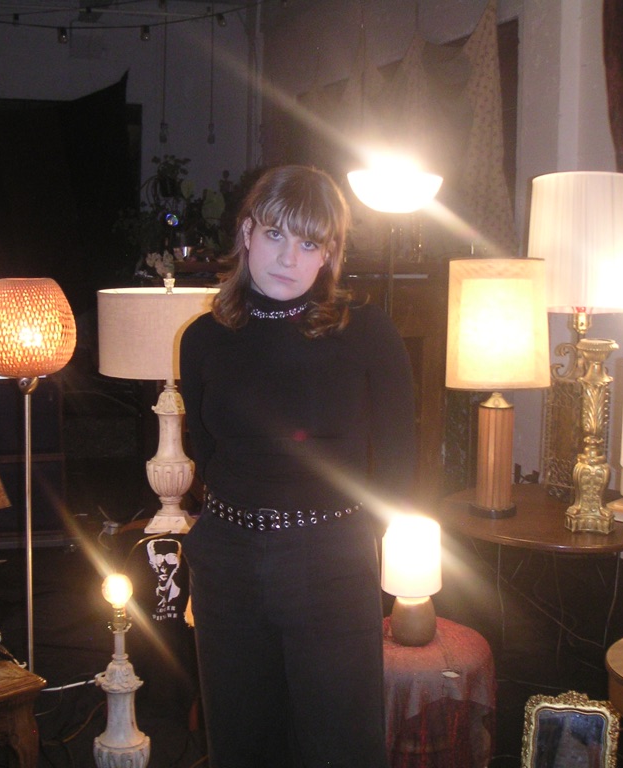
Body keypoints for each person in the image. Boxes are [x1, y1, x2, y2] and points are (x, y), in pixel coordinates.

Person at [179, 164, 417, 767]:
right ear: (247, 233)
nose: (288, 257)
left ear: (329, 254)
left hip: (331, 561)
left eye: (309, 243)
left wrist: (357, 541)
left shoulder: (368, 332)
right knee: (240, 746)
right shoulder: (203, 338)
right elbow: (206, 450)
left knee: (341, 749)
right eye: (275, 235)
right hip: (228, 561)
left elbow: (399, 462)